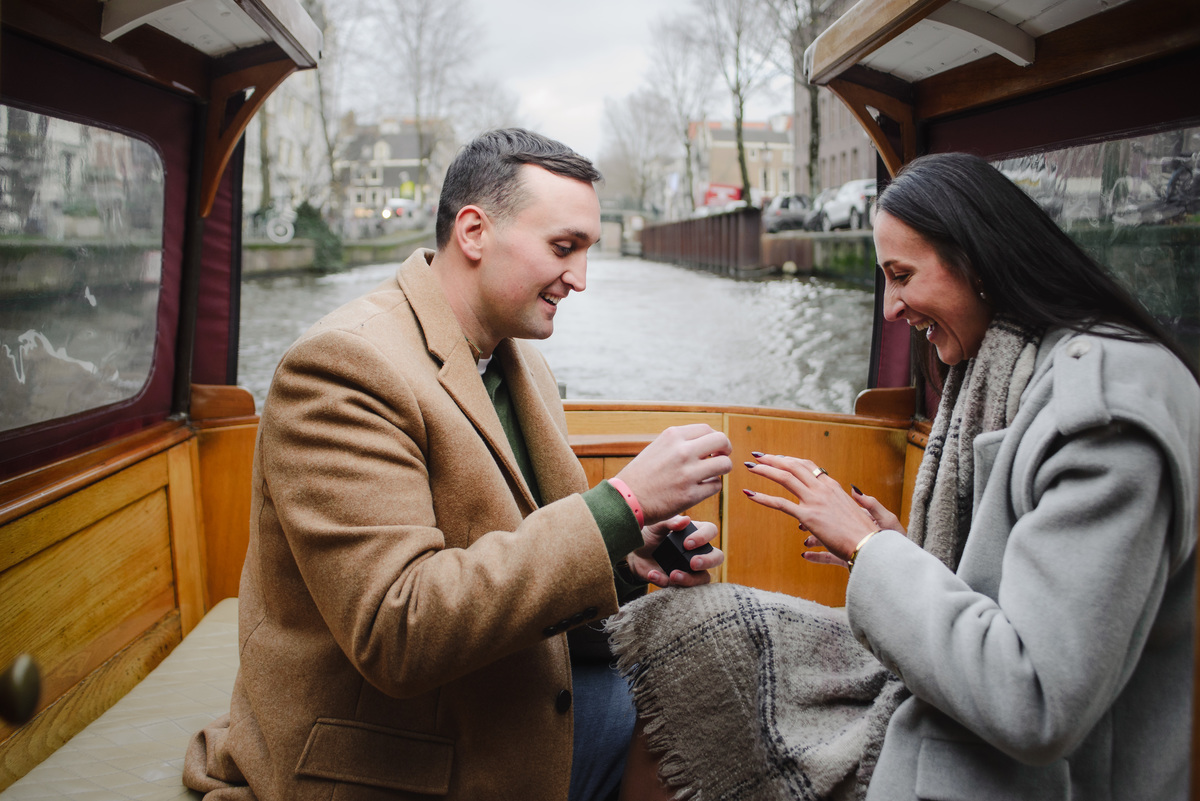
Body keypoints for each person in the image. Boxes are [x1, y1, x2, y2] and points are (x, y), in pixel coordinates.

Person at [608, 152, 1199, 801]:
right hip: (970, 734)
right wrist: (903, 551)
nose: (890, 307)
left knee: (694, 694)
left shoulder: (1102, 420)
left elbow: (1035, 701)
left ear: (977, 259)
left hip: (1023, 776)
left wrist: (870, 550)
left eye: (900, 275)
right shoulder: (1025, 369)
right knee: (688, 650)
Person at [182, 128, 733, 801]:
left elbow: (527, 550)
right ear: (473, 232)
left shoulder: (519, 355)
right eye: (564, 248)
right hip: (399, 756)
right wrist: (624, 503)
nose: (581, 279)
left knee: (714, 683)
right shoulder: (341, 369)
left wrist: (628, 549)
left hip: (494, 694)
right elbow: (397, 626)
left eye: (587, 250)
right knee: (712, 733)